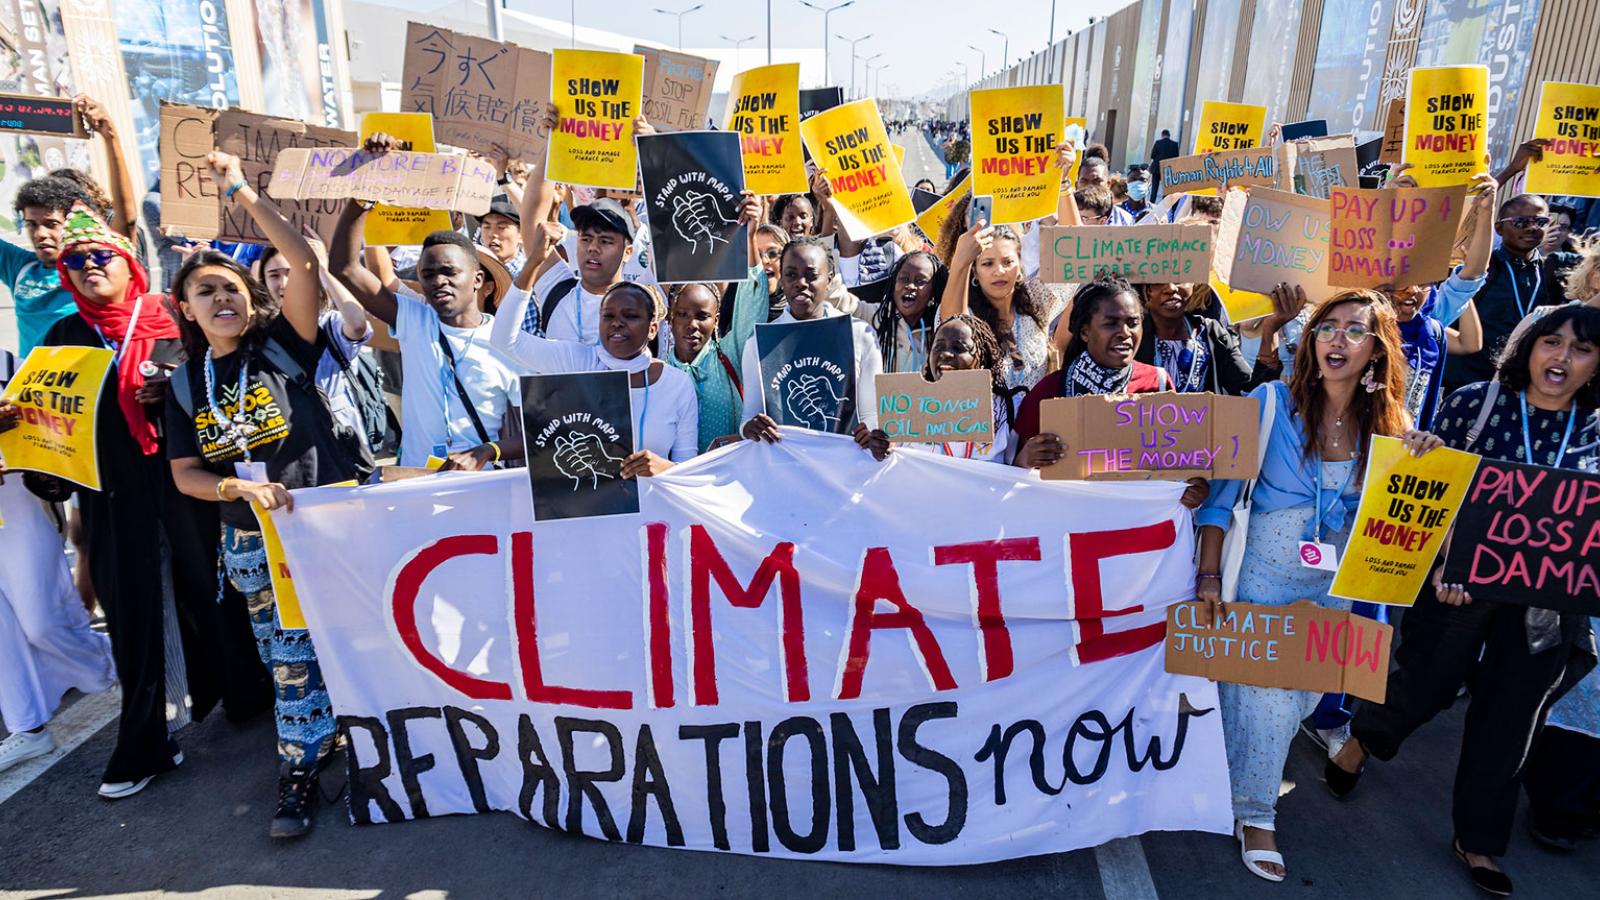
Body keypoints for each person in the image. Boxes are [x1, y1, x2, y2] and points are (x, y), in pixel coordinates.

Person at [1334, 304, 1600, 896]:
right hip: (1460, 584)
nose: (1560, 357)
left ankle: (1478, 841)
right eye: (1550, 341)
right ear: (1527, 346)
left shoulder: (1597, 428)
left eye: (1580, 349)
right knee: (1424, 685)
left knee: (1510, 719)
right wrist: (1422, 454)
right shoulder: (1476, 403)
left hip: (1545, 607)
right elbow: (1431, 487)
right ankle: (1362, 742)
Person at [1193, 289, 1436, 882]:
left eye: (1355, 331)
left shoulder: (1392, 424)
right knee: (1267, 700)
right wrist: (1207, 574)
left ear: (1377, 350)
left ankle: (1228, 778)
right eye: (1328, 327)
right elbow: (1221, 498)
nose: (1337, 339)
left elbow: (1399, 519)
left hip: (1333, 587)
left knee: (1296, 699)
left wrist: (1421, 460)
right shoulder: (1268, 403)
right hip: (1260, 578)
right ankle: (1255, 814)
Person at [164, 151, 366, 839]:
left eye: (231, 288)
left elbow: (303, 265)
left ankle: (370, 745)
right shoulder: (186, 385)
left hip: (326, 523)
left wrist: (239, 189)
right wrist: (233, 489)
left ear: (250, 299)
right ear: (187, 312)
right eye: (204, 293)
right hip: (253, 541)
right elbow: (183, 472)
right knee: (287, 657)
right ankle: (302, 767)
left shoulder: (286, 346)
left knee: (355, 634)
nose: (221, 300)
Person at [2, 201, 222, 800]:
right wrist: (24, 435)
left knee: (210, 588)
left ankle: (245, 695)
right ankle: (144, 741)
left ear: (129, 264)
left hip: (185, 477)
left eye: (102, 256)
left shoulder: (171, 315)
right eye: (76, 262)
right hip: (111, 493)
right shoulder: (61, 337)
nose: (89, 266)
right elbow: (52, 427)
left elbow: (219, 382)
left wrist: (174, 394)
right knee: (129, 614)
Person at [329, 137, 524, 471]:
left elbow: (535, 430)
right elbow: (345, 268)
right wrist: (363, 195)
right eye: (428, 274)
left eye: (449, 272)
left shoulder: (506, 344)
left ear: (477, 280)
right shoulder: (414, 319)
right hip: (418, 482)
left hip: (484, 490)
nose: (438, 281)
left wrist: (485, 452)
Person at [0, 352, 116, 773]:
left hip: (19, 510)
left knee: (41, 621)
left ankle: (105, 661)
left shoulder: (14, 368)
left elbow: (55, 438)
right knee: (2, 637)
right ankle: (28, 728)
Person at [494, 239, 698, 470]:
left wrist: (664, 468)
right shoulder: (577, 360)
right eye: (608, 316)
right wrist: (531, 266)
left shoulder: (677, 384)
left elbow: (687, 465)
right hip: (579, 503)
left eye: (630, 316)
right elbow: (504, 340)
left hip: (655, 503)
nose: (617, 324)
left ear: (653, 329)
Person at [2, 96, 137, 356]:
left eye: (51, 224)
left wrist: (110, 137)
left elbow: (127, 218)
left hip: (91, 386)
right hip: (33, 390)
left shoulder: (96, 263)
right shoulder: (19, 268)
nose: (40, 234)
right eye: (32, 225)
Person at [1012, 274, 1178, 469]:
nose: (1125, 333)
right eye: (1111, 323)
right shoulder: (1049, 392)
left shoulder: (1157, 383)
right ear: (1085, 332)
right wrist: (1025, 459)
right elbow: (1015, 479)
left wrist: (1190, 487)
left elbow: (1176, 462)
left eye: (1133, 323)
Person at [740, 237, 883, 443]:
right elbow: (748, 418)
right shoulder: (759, 343)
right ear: (782, 279)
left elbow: (872, 415)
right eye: (791, 275)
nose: (800, 283)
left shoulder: (860, 334)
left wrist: (870, 434)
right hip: (785, 465)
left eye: (811, 275)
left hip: (845, 467)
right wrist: (751, 428)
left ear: (830, 278)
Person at [1443, 193, 1582, 392]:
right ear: (1499, 228)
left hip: (1519, 384)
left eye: (1541, 221)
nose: (1532, 228)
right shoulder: (1484, 267)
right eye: (1521, 222)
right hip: (1465, 381)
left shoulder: (1553, 270)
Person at [940, 223, 1069, 391]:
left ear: (1020, 266)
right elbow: (953, 327)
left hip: (1037, 416)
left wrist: (1063, 195)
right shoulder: (966, 312)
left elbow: (1072, 245)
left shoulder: (1036, 303)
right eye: (987, 264)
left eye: (1007, 262)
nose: (999, 271)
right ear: (975, 273)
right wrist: (961, 261)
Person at [1134, 281, 1268, 394]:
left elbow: (1249, 391)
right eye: (1159, 282)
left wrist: (1270, 328)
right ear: (1147, 291)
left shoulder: (1212, 334)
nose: (1171, 288)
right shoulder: (1131, 338)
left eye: (1180, 279)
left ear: (1193, 286)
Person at [661, 282, 750, 452]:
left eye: (702, 316)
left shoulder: (730, 354)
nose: (692, 324)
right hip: (678, 477)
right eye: (682, 314)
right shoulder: (659, 374)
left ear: (715, 320)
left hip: (729, 474)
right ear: (671, 317)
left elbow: (753, 296)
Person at [869, 251, 946, 374]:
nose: (910, 286)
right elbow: (836, 298)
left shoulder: (939, 330)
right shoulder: (875, 316)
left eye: (920, 281)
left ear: (933, 292)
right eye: (903, 279)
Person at [477, 193, 526, 278]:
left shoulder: (531, 273)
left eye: (501, 227)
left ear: (521, 235)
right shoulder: (475, 272)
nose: (492, 234)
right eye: (487, 227)